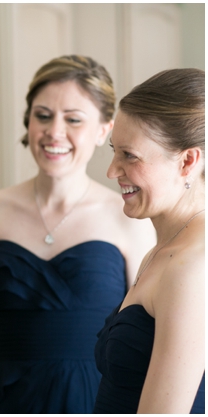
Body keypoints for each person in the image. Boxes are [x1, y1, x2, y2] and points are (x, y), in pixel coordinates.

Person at [0, 55, 155, 413]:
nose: (54, 132)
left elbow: (144, 341)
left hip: (97, 401)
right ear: (28, 121)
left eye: (73, 120)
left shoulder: (130, 218)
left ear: (103, 131)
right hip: (5, 401)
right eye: (43, 115)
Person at [94, 68, 205, 413]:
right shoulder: (161, 252)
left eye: (130, 155)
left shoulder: (191, 268)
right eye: (114, 151)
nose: (111, 171)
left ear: (187, 161)